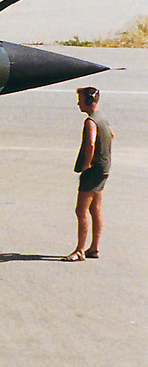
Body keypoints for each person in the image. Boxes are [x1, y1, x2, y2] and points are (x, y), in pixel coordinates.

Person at [67, 86, 112, 262]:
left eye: (80, 99)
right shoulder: (103, 118)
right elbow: (111, 136)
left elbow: (91, 144)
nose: (78, 103)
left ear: (88, 101)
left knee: (81, 210)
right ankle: (94, 248)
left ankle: (79, 250)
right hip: (103, 168)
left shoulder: (91, 122)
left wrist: (86, 164)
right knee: (95, 208)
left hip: (93, 171)